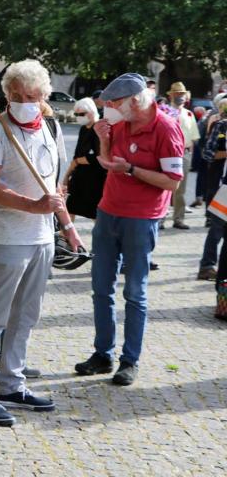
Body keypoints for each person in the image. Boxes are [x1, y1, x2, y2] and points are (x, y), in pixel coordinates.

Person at [0, 59, 80, 427]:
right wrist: (33, 206)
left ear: (44, 97)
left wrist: (66, 225)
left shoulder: (48, 126)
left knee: (26, 316)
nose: (23, 101)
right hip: (8, 239)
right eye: (16, 95)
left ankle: (12, 382)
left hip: (42, 238)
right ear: (7, 95)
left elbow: (55, 188)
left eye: (30, 95)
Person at [74, 73, 184, 386]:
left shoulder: (166, 128)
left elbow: (172, 182)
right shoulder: (120, 124)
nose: (108, 107)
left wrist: (133, 169)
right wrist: (105, 139)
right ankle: (102, 354)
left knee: (135, 291)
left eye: (114, 103)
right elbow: (108, 162)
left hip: (142, 218)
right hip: (109, 212)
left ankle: (129, 360)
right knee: (101, 288)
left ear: (134, 102)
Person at [197, 94, 227, 281]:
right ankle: (207, 266)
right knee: (217, 228)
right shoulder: (221, 126)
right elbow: (207, 154)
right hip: (222, 187)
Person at [63, 98, 106, 221]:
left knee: (94, 213)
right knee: (70, 208)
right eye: (76, 114)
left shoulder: (98, 128)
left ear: (91, 112)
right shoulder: (83, 129)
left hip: (95, 179)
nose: (78, 117)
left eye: (81, 114)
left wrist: (79, 161)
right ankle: (66, 236)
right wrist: (67, 175)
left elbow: (99, 157)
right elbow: (76, 156)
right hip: (80, 177)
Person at [166, 82, 198, 229]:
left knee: (181, 189)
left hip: (183, 153)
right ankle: (159, 218)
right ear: (170, 95)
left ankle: (178, 218)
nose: (180, 96)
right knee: (164, 186)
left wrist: (188, 155)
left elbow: (193, 137)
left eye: (182, 94)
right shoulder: (164, 112)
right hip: (166, 153)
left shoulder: (189, 114)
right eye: (177, 94)